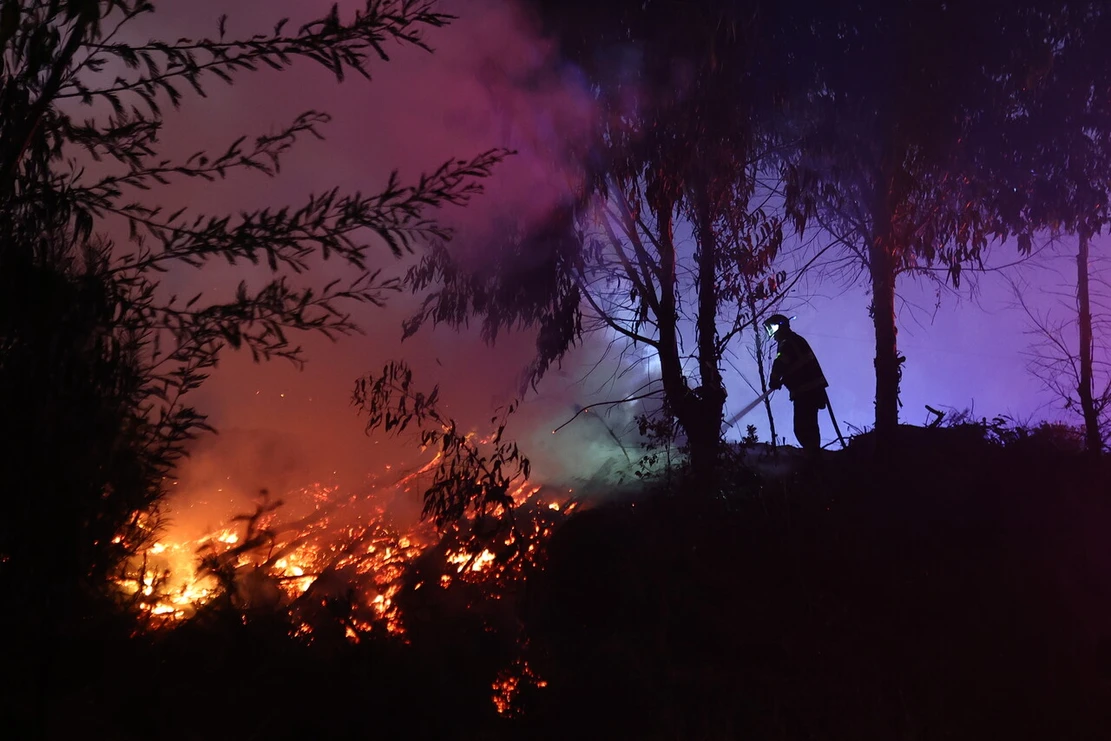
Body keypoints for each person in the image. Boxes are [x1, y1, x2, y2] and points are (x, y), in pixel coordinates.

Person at [764, 314, 829, 452]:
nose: (772, 334)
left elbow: (780, 362)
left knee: (802, 427)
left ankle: (813, 458)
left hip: (806, 391)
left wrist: (774, 379)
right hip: (811, 390)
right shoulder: (794, 340)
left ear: (780, 326)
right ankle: (813, 454)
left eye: (772, 328)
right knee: (809, 426)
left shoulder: (788, 342)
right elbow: (794, 364)